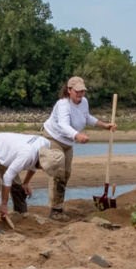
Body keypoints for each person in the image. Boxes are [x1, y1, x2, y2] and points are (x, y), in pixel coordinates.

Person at [42, 75, 115, 219]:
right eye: (77, 91)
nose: (80, 95)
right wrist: (78, 135)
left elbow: (87, 117)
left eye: (82, 91)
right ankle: (55, 210)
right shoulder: (63, 104)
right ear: (69, 90)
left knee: (66, 174)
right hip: (53, 137)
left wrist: (105, 126)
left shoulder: (84, 102)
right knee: (59, 172)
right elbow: (63, 125)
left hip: (68, 142)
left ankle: (56, 206)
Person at [0, 132, 63, 237]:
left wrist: (26, 183)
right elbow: (7, 177)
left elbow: (35, 165)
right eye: (44, 167)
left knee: (18, 186)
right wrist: (4, 204)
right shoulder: (26, 155)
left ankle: (21, 214)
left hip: (7, 155)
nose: (43, 169)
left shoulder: (45, 145)